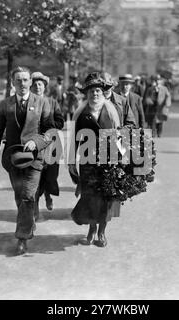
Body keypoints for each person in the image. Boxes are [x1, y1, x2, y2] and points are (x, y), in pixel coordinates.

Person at [0, 66, 54, 255]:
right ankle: (28, 222)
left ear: (30, 82)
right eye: (18, 80)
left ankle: (22, 238)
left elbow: (50, 132)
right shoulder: (5, 105)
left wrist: (36, 142)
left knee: (27, 195)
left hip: (34, 159)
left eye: (25, 80)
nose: (22, 84)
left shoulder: (42, 103)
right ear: (12, 83)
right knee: (20, 198)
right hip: (13, 159)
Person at [68, 72, 121, 247]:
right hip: (87, 161)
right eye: (91, 91)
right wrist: (71, 162)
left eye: (98, 91)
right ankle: (91, 230)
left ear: (103, 92)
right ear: (87, 93)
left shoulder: (112, 111)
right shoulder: (80, 113)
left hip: (108, 161)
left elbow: (119, 137)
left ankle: (102, 232)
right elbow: (72, 139)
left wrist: (121, 161)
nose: (95, 94)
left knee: (105, 198)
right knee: (89, 196)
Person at [31, 71, 64, 216]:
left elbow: (60, 122)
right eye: (35, 84)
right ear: (31, 87)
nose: (38, 87)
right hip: (34, 145)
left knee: (50, 175)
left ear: (44, 87)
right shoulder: (29, 103)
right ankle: (35, 207)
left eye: (40, 84)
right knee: (35, 175)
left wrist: (50, 124)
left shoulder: (52, 102)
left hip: (51, 144)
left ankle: (48, 195)